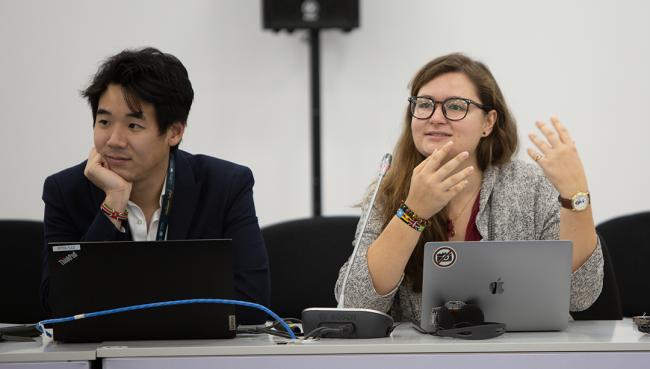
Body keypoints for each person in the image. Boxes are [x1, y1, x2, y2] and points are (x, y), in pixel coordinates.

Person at [334, 53, 603, 323]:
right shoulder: (390, 190)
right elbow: (356, 304)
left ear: (488, 122)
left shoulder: (530, 186)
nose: (435, 117)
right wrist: (412, 211)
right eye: (424, 104)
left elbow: (580, 296)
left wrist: (576, 197)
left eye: (455, 106)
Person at [41, 47, 270, 324]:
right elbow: (59, 306)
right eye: (104, 122)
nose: (114, 140)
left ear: (174, 131)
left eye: (133, 126)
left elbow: (252, 302)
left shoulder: (225, 186)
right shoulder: (65, 192)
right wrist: (113, 203)